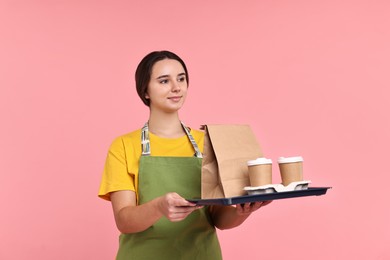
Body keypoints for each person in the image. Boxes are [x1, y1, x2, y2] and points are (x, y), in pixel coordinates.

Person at [98, 50, 272, 259]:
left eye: (181, 78)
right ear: (145, 91)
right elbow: (124, 221)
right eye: (164, 81)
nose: (176, 87)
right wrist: (159, 206)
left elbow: (216, 218)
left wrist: (242, 211)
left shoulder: (206, 142)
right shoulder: (124, 146)